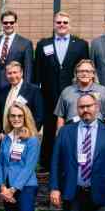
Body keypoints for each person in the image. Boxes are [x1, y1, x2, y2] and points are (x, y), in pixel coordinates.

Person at [35, 12, 91, 169]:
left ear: (69, 24)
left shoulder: (80, 44)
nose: (62, 25)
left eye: (65, 22)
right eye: (58, 22)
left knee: (73, 126)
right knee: (50, 127)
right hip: (49, 93)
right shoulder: (43, 44)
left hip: (73, 93)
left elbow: (85, 69)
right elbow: (38, 71)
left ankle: (72, 161)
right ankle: (46, 162)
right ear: (54, 24)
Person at [53, 61, 105, 131]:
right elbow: (60, 117)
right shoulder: (67, 92)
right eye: (81, 71)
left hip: (97, 131)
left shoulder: (103, 91)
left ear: (93, 74)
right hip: (71, 131)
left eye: (88, 71)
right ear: (76, 74)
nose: (84, 74)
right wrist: (59, 136)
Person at [0, 60, 44, 140]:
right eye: (9, 73)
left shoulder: (33, 90)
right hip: (4, 138)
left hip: (25, 138)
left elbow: (39, 117)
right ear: (6, 75)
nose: (12, 76)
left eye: (15, 72)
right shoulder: (2, 92)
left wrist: (29, 134)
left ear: (21, 73)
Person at [0, 10, 34, 90]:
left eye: (11, 22)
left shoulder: (25, 44)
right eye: (5, 23)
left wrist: (25, 91)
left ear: (16, 23)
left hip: (14, 89)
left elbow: (28, 71)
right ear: (2, 24)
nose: (8, 25)